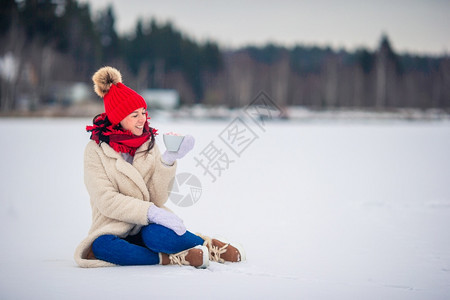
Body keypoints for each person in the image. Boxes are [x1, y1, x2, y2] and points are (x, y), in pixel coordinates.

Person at [74, 66, 245, 268]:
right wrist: (151, 212)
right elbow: (106, 200)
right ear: (118, 118)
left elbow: (157, 197)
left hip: (146, 227)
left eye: (144, 113)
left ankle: (207, 246)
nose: (142, 120)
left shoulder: (147, 144)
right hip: (113, 227)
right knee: (103, 246)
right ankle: (172, 258)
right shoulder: (96, 150)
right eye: (134, 115)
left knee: (157, 235)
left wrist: (167, 161)